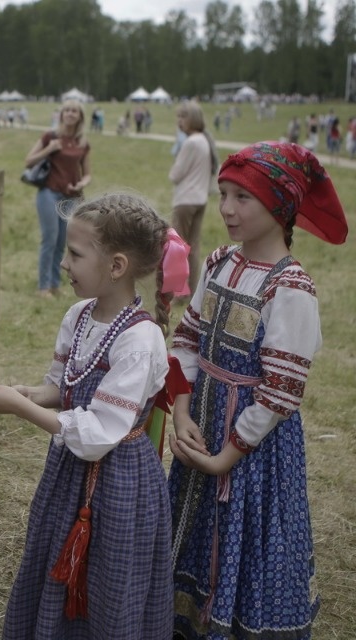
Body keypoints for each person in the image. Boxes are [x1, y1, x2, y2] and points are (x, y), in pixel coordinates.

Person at [0, 193, 191, 639]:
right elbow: (63, 388)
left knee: (109, 579)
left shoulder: (140, 341)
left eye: (75, 254)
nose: (64, 264)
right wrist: (30, 394)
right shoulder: (78, 316)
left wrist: (20, 408)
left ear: (116, 266)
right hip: (70, 474)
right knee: (56, 554)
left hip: (120, 482)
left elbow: (97, 433)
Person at [168, 141, 348, 639]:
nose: (226, 208)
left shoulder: (290, 288)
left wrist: (225, 458)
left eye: (242, 197)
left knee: (245, 535)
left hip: (252, 453)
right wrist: (181, 411)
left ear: (280, 206)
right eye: (223, 194)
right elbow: (187, 338)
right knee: (194, 526)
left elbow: (279, 393)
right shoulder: (218, 262)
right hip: (200, 426)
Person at [23, 99, 91, 298]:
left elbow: (87, 174)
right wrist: (49, 149)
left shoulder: (83, 143)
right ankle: (43, 287)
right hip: (49, 193)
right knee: (49, 239)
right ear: (61, 114)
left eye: (74, 111)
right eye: (67, 110)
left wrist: (82, 184)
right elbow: (28, 161)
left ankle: (55, 285)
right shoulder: (50, 136)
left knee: (63, 241)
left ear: (80, 117)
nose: (70, 114)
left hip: (72, 197)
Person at [169, 101, 218, 300]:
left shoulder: (191, 143)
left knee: (178, 247)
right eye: (178, 117)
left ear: (193, 119)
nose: (179, 121)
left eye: (183, 117)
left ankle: (177, 292)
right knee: (193, 247)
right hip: (200, 199)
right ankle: (190, 290)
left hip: (185, 200)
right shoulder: (205, 140)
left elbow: (175, 175)